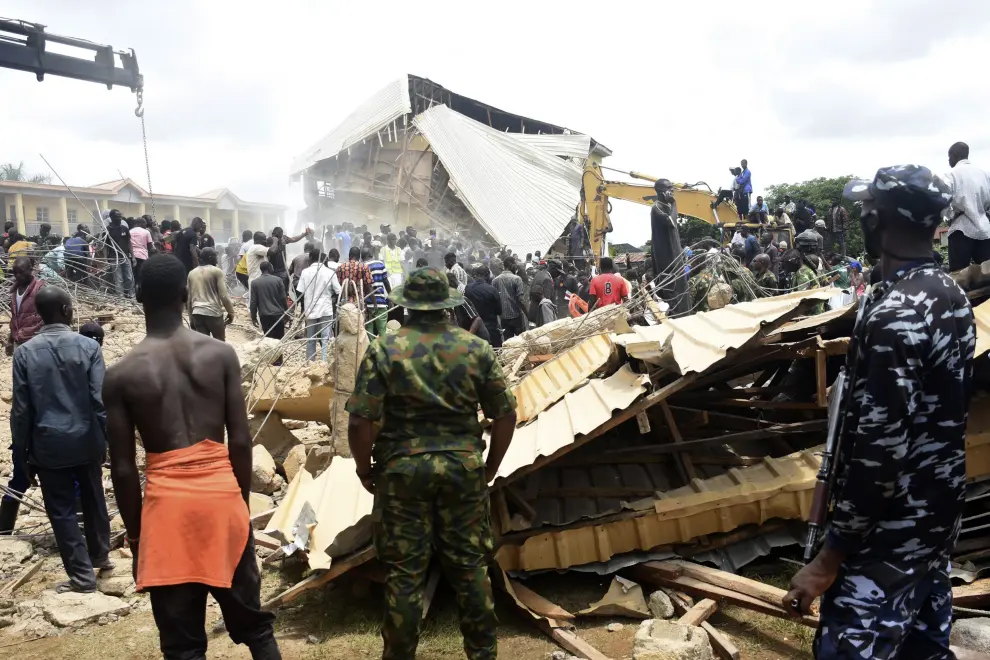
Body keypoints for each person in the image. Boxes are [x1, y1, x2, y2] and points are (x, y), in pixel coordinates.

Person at [783, 165, 971, 659]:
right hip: (936, 517)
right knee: (923, 648)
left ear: (877, 222)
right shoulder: (947, 294)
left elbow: (879, 454)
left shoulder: (896, 317)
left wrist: (829, 558)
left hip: (888, 531)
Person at [103, 254, 280, 659]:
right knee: (255, 627)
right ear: (184, 295)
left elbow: (125, 470)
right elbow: (239, 440)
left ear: (138, 296)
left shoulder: (121, 375)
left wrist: (135, 536)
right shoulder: (220, 355)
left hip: (166, 514)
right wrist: (240, 505)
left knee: (183, 646)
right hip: (221, 500)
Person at [346, 267, 517, 660]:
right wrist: (488, 467)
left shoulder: (384, 349)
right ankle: (482, 654)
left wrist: (364, 469)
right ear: (446, 306)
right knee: (471, 570)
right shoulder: (475, 348)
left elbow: (360, 421)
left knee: (404, 575)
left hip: (402, 473)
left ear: (406, 305)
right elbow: (505, 415)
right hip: (463, 472)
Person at [12, 287, 111, 592]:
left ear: (40, 313)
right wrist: (107, 440)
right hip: (87, 439)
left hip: (48, 444)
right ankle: (100, 556)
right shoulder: (89, 348)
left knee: (62, 510)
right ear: (67, 310)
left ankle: (82, 577)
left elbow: (21, 410)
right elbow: (100, 401)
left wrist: (21, 456)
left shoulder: (24, 352)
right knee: (95, 498)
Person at [944, 141, 990, 271]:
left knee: (958, 275)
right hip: (984, 230)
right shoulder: (985, 174)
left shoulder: (951, 174)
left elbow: (943, 198)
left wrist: (949, 216)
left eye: (949, 157)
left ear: (954, 155)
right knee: (988, 273)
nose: (949, 160)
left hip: (961, 228)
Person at [297, 248, 341, 361]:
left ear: (310, 258)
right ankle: (325, 362)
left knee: (311, 339)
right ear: (322, 258)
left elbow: (300, 291)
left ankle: (310, 363)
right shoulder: (330, 272)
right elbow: (338, 291)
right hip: (326, 309)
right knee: (325, 338)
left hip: (310, 310)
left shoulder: (305, 272)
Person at [186, 247, 235, 341]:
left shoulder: (191, 273)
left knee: (203, 345)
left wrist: (191, 317)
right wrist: (231, 312)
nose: (217, 259)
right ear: (210, 257)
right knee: (219, 343)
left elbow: (189, 298)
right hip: (213, 313)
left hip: (197, 313)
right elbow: (224, 296)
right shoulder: (216, 271)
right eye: (215, 256)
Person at [8, 257, 45, 355]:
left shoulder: (40, 289)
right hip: (18, 342)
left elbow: (48, 316)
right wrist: (10, 340)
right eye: (15, 272)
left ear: (31, 269)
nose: (17, 275)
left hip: (35, 342)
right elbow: (14, 318)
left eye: (21, 272)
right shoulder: (13, 292)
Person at [465, 264, 503, 347]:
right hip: (491, 329)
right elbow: (499, 311)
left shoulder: (467, 289)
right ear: (487, 275)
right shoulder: (492, 289)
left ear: (477, 275)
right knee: (496, 352)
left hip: (473, 329)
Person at [492, 257, 528, 340]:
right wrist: (527, 313)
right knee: (521, 340)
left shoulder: (495, 280)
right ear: (510, 264)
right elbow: (521, 300)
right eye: (514, 264)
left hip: (503, 318)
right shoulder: (517, 279)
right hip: (516, 316)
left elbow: (494, 300)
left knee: (508, 342)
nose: (516, 266)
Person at [250, 262, 288, 340]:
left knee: (268, 339)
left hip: (264, 316)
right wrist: (286, 313)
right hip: (278, 314)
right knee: (279, 340)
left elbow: (253, 302)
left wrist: (253, 317)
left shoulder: (254, 283)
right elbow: (283, 298)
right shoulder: (278, 280)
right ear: (270, 268)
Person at [267, 227, 311, 291]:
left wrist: (304, 234)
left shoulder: (284, 239)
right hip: (272, 270)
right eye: (277, 236)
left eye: (280, 235)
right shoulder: (270, 240)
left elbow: (294, 239)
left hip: (282, 269)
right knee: (273, 290)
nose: (278, 238)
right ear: (273, 234)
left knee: (284, 289)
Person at [363, 247, 391, 338]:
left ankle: (370, 350)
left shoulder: (362, 266)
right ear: (371, 255)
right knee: (382, 331)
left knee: (369, 332)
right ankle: (382, 350)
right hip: (381, 303)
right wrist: (390, 297)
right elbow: (386, 282)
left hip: (368, 304)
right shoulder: (380, 264)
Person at [129, 216, 155, 285]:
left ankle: (133, 292)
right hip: (142, 256)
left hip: (131, 256)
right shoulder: (146, 232)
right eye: (145, 224)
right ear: (141, 223)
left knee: (132, 276)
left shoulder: (129, 231)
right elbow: (150, 246)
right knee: (141, 276)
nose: (146, 226)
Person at [288, 241, 314, 306]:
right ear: (313, 250)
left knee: (297, 303)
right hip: (308, 284)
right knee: (306, 305)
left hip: (296, 284)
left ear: (304, 249)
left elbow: (289, 273)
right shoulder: (313, 259)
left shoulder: (296, 258)